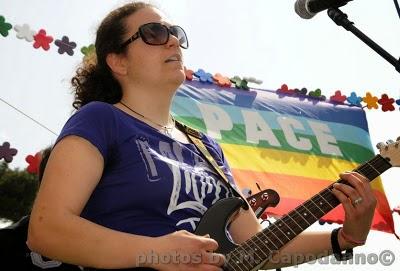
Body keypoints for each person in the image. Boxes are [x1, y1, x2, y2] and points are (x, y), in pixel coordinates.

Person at [27, 2, 377, 270]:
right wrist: (156, 253)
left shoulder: (206, 147)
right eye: (154, 33)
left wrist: (344, 237)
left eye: (175, 32)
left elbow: (254, 247)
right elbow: (47, 229)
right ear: (118, 61)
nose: (174, 41)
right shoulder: (101, 119)